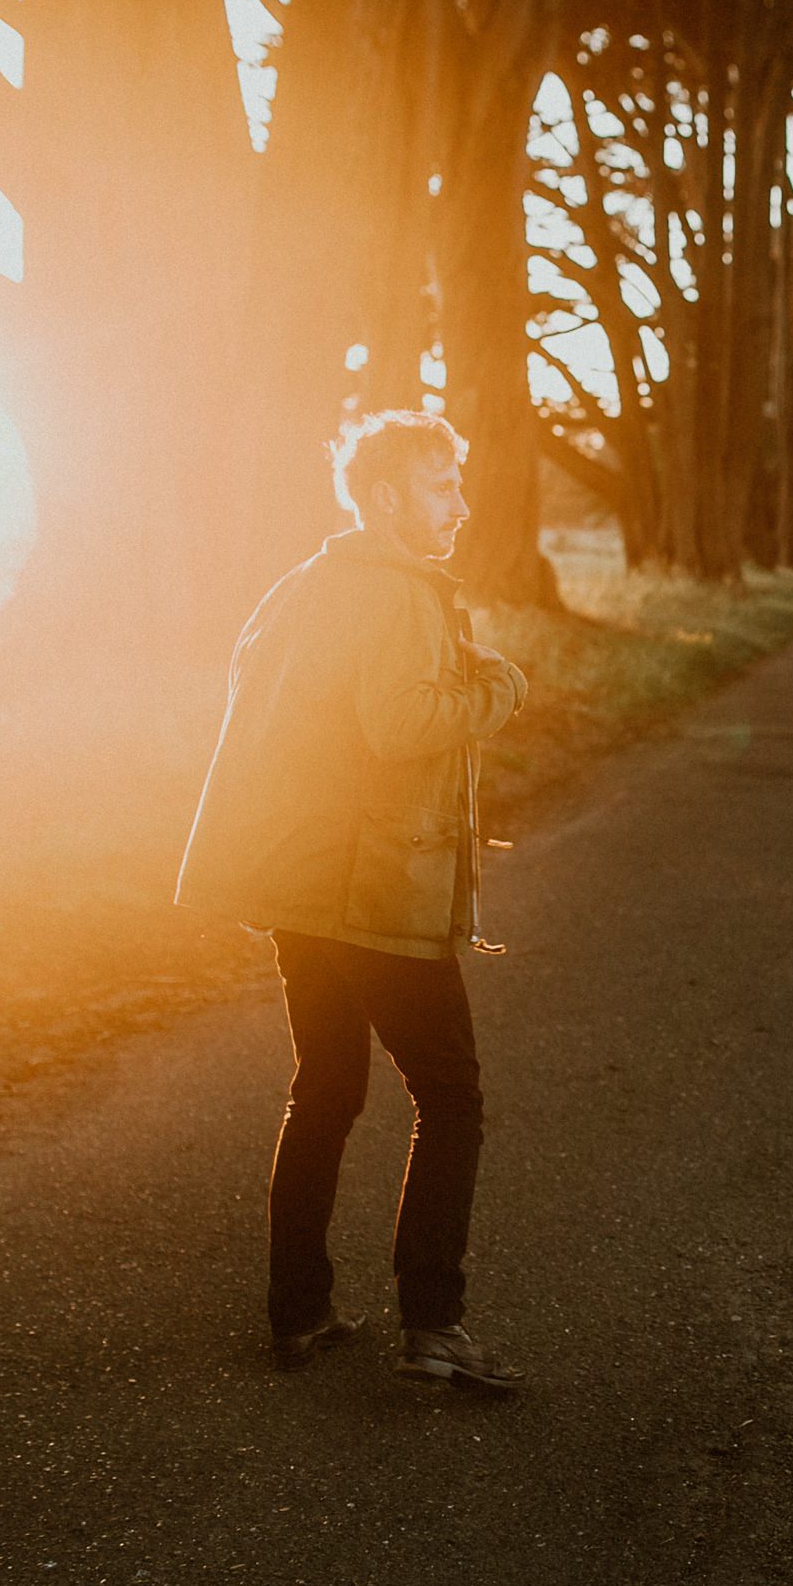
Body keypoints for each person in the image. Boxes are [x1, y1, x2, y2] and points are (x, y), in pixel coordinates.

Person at [177, 408, 529, 1390]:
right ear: (384, 498)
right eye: (440, 485)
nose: (459, 503)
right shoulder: (401, 593)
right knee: (450, 1096)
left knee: (325, 1091)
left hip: (303, 887)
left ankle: (298, 1313)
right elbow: (400, 722)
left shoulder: (302, 585)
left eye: (457, 483)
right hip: (376, 887)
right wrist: (497, 685)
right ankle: (435, 1327)